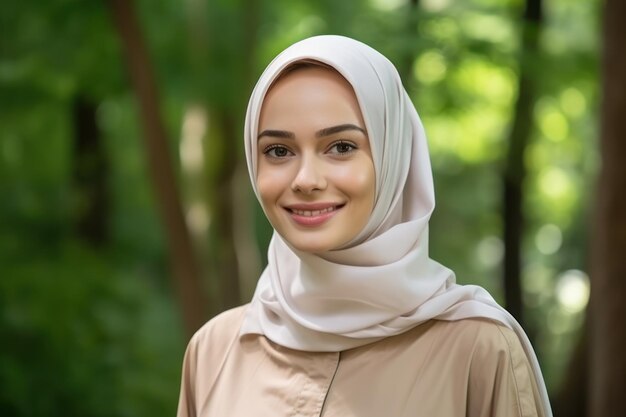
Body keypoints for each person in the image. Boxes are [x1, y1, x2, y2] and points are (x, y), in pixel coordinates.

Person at [176, 35, 552, 417]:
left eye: (341, 147)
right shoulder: (213, 350)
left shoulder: (478, 349)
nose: (306, 179)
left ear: (392, 158)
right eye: (278, 151)